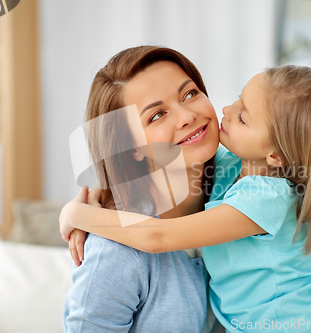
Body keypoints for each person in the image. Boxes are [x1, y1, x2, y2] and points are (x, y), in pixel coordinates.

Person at [61, 65, 311, 332]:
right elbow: (131, 158)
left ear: (275, 156)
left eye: (243, 117)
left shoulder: (267, 196)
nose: (225, 108)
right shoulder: (234, 166)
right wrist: (98, 189)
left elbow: (157, 238)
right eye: (157, 114)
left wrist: (74, 215)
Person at [61, 45, 221, 332]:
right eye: (157, 115)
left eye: (189, 93)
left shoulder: (241, 191)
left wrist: (76, 212)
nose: (186, 116)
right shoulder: (114, 253)